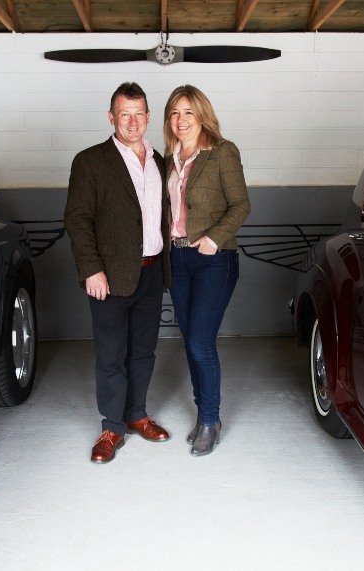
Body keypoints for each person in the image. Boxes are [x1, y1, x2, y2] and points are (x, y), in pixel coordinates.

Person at [64, 82, 172, 464]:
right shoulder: (90, 161)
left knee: (143, 351)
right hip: (109, 278)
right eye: (125, 114)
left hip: (152, 272)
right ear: (111, 117)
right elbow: (78, 220)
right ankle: (112, 427)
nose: (133, 121)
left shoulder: (161, 162)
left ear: (148, 116)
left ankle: (136, 414)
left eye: (139, 113)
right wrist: (91, 270)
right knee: (111, 355)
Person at [162, 85, 250, 456]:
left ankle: (211, 419)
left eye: (188, 112)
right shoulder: (169, 159)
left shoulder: (222, 151)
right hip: (178, 259)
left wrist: (214, 238)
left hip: (214, 258)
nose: (181, 120)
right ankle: (204, 415)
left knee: (200, 342)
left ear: (202, 116)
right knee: (191, 342)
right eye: (174, 113)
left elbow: (241, 204)